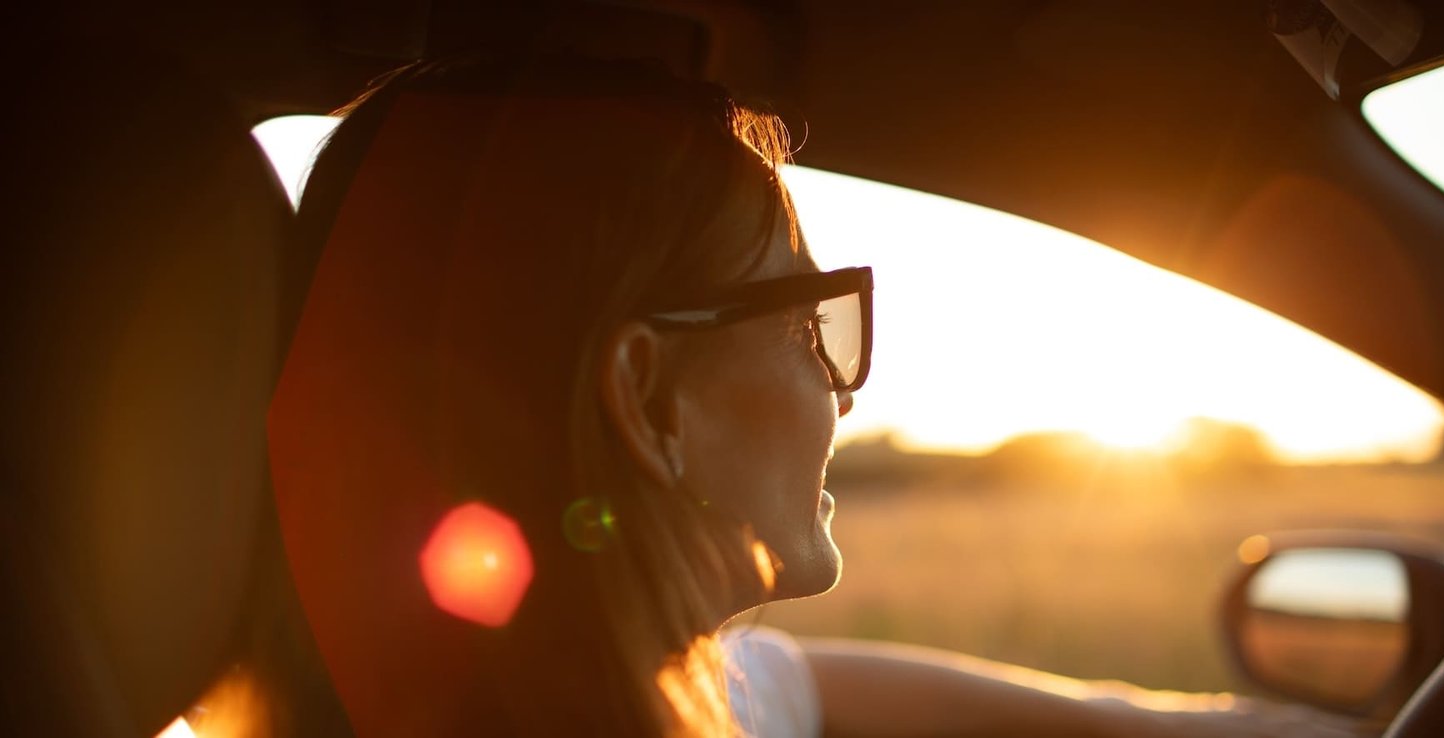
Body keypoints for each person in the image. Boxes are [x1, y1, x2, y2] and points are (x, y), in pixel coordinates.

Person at [260, 54, 1370, 736]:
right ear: (649, 401)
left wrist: (1192, 726)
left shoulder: (543, 684)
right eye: (805, 328)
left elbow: (797, 686)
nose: (842, 395)